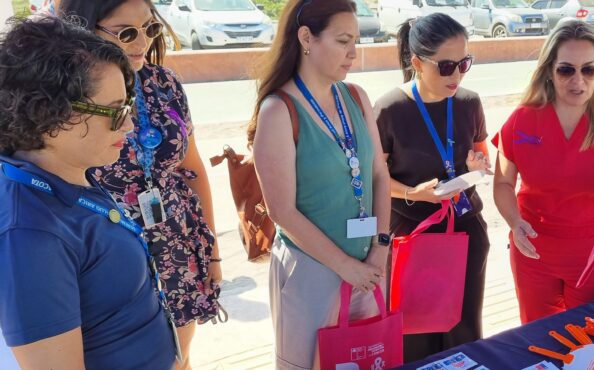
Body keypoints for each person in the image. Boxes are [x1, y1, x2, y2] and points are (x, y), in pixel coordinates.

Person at [0, 17, 176, 369]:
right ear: (48, 113)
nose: (128, 125)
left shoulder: (65, 175)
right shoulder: (29, 233)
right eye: (114, 111)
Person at [59, 1, 222, 368]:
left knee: (180, 356)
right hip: (108, 249)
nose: (142, 42)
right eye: (126, 32)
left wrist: (211, 252)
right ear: (85, 27)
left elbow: (192, 169)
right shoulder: (67, 94)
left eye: (150, 29)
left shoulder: (165, 82)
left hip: (175, 242)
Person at [249, 0, 391, 368]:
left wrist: (381, 247)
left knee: (367, 356)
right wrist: (345, 265)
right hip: (313, 270)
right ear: (306, 38)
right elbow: (282, 212)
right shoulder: (279, 111)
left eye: (356, 41)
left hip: (368, 266)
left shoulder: (356, 97)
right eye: (343, 41)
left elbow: (378, 174)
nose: (353, 53)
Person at [492, 19, 594, 323]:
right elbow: (502, 184)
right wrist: (514, 222)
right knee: (539, 342)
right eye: (566, 69)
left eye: (589, 69)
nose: (578, 80)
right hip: (532, 251)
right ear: (550, 70)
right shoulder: (521, 120)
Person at [373, 13, 492, 361]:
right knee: (415, 336)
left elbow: (483, 158)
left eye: (464, 63)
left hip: (465, 230)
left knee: (464, 331)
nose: (456, 75)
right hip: (413, 236)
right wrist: (413, 193)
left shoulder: (469, 102)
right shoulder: (389, 109)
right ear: (417, 63)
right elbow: (374, 181)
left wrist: (477, 168)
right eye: (446, 66)